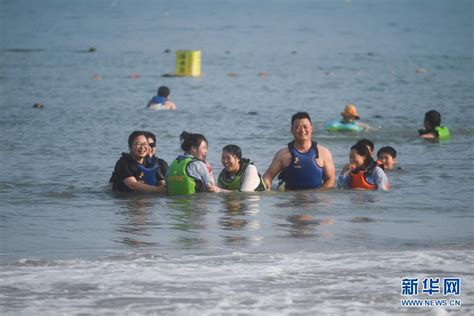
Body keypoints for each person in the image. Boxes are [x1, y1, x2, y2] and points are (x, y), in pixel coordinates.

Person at [263, 112, 336, 190]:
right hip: (290, 199)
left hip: (316, 199)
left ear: (311, 128)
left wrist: (319, 194)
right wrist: (266, 184)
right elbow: (268, 175)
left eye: (305, 127)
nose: (302, 130)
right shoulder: (282, 155)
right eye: (298, 127)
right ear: (292, 130)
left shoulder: (323, 153)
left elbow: (331, 180)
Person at [167, 131, 217, 195]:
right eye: (204, 148)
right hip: (195, 203)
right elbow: (211, 189)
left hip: (174, 204)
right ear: (193, 148)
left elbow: (166, 186)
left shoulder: (173, 164)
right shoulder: (199, 165)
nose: (206, 151)